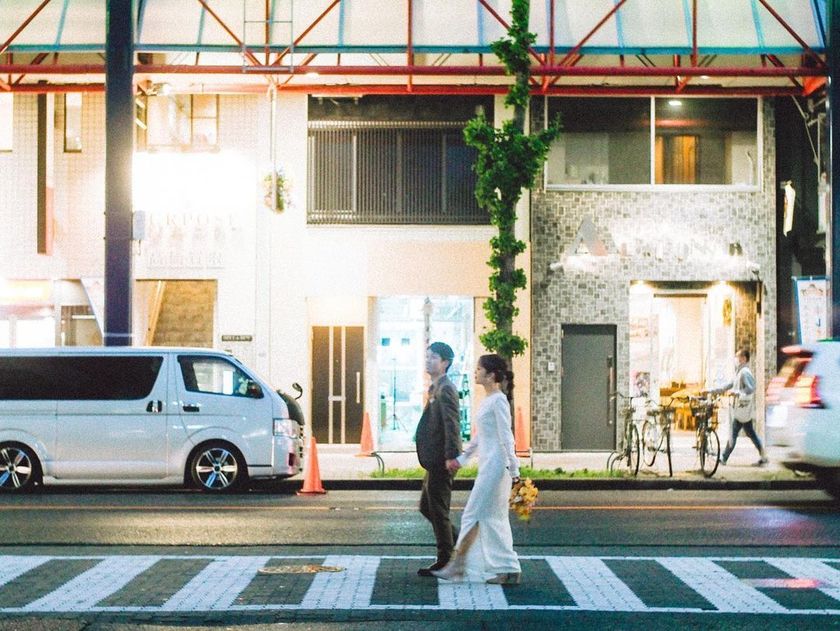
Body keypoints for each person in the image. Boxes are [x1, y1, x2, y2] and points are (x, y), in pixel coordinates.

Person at [432, 354, 521, 585]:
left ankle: (458, 567)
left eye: (479, 369)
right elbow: (481, 437)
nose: (476, 372)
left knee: (473, 514)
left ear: (491, 375)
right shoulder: (489, 399)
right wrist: (462, 459)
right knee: (492, 518)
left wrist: (514, 469)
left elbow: (506, 436)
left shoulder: (499, 400)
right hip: (489, 465)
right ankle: (508, 567)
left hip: (496, 467)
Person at [415, 341, 462, 577]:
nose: (428, 360)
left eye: (433, 357)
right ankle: (461, 541)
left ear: (445, 362)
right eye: (427, 356)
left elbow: (452, 424)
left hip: (442, 460)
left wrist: (451, 456)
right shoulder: (435, 388)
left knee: (438, 510)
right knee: (427, 507)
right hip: (434, 459)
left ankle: (446, 560)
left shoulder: (446, 390)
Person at [711, 349, 768, 466]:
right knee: (750, 433)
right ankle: (763, 456)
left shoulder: (744, 373)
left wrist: (738, 393)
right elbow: (727, 385)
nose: (735, 359)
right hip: (742, 410)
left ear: (744, 358)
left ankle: (724, 458)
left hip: (741, 409)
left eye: (737, 357)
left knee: (734, 433)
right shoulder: (739, 373)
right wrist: (713, 390)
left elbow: (751, 388)